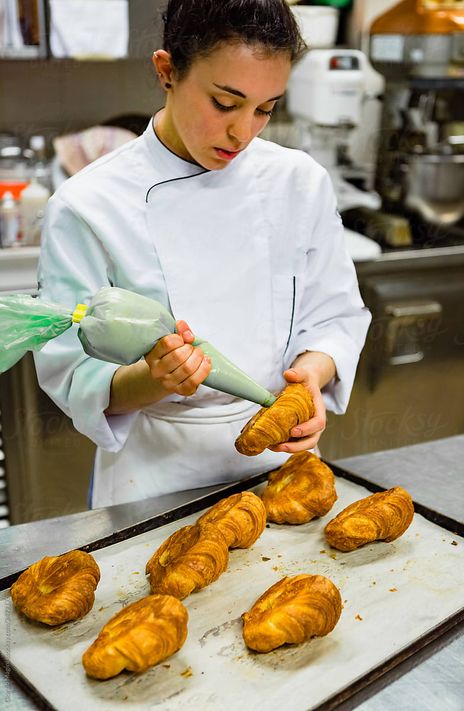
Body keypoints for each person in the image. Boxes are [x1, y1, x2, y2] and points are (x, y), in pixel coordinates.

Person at [35, 0, 371, 509]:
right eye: (224, 103)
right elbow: (71, 372)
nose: (244, 132)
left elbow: (336, 316)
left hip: (280, 469)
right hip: (153, 477)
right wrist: (153, 380)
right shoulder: (88, 205)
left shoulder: (297, 182)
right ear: (167, 71)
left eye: (265, 108)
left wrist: (312, 379)